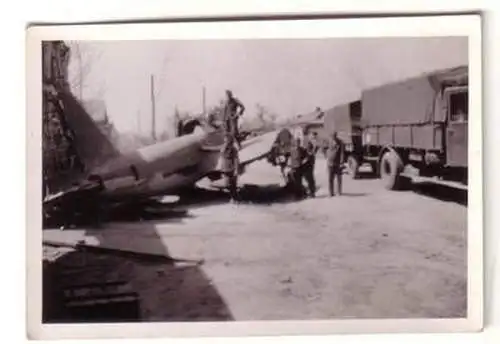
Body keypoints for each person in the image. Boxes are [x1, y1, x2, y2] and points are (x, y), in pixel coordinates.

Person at [325, 131, 345, 196]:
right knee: (330, 179)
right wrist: (326, 155)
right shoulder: (328, 142)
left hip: (338, 163)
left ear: (336, 136)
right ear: (331, 136)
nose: (334, 137)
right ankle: (331, 192)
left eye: (335, 136)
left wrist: (341, 162)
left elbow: (342, 152)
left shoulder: (340, 142)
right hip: (330, 163)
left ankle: (339, 191)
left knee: (339, 178)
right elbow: (323, 148)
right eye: (333, 136)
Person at [221, 134, 240, 203]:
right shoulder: (223, 147)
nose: (225, 140)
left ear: (229, 140)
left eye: (226, 139)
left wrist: (236, 169)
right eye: (224, 139)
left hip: (231, 168)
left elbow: (236, 159)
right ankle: (234, 197)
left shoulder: (233, 149)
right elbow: (222, 157)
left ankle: (234, 198)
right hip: (225, 168)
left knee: (233, 185)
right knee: (227, 184)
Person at [302, 131, 319, 197]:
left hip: (309, 162)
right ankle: (311, 191)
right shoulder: (309, 141)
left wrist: (305, 159)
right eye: (312, 135)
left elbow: (311, 153)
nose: (313, 137)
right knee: (308, 177)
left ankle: (312, 193)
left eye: (314, 136)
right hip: (308, 162)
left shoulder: (314, 143)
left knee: (309, 177)